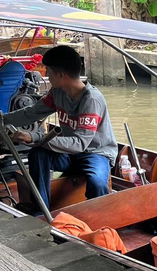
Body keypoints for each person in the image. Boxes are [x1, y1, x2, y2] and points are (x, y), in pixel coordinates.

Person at [2, 45, 117, 211]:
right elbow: (32, 113)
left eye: (48, 71)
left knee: (97, 182)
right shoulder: (58, 93)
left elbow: (79, 143)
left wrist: (33, 137)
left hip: (95, 154)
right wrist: (3, 119)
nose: (46, 76)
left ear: (61, 75)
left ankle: (96, 221)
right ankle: (41, 211)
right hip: (69, 154)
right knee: (38, 154)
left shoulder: (91, 100)